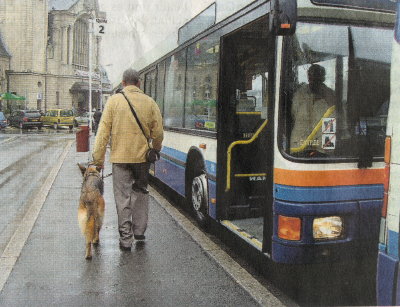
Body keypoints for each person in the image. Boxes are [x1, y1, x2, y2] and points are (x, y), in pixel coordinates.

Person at [92, 68, 164, 251]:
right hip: (141, 159)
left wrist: (98, 159)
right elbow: (158, 133)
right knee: (140, 193)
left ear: (123, 83)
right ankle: (139, 230)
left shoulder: (114, 101)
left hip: (120, 158)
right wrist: (155, 149)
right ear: (138, 83)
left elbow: (102, 133)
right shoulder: (150, 102)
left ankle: (126, 239)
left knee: (122, 198)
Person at [290, 64, 336, 153]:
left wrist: (328, 147)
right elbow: (294, 114)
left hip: (322, 145)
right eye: (311, 77)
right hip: (299, 141)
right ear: (308, 77)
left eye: (317, 77)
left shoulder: (331, 95)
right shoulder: (300, 94)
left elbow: (333, 118)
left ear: (323, 78)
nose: (313, 80)